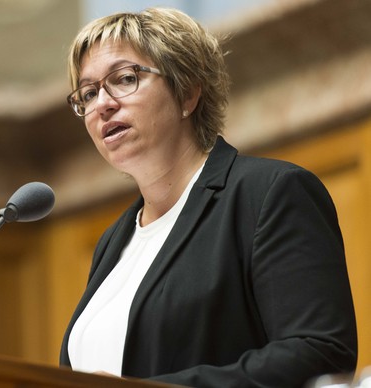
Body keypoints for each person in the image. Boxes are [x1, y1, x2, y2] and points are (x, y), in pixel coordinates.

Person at [59, 7, 357, 388]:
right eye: (88, 93)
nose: (102, 103)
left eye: (124, 79)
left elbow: (319, 353)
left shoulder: (268, 194)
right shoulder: (112, 243)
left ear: (187, 92)